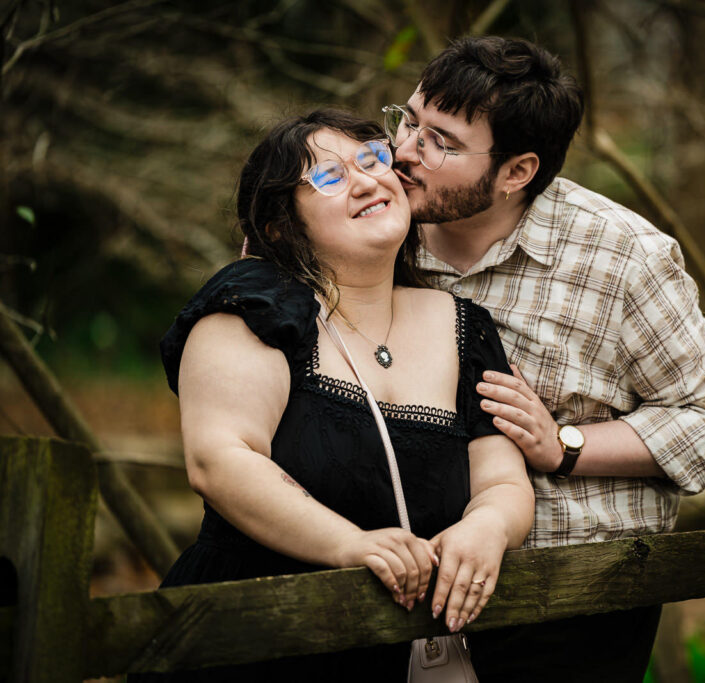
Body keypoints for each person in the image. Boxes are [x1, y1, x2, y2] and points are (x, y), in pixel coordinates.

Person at [382, 36, 705, 681]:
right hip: (393, 589)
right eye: (408, 120)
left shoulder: (620, 257)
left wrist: (564, 445)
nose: (405, 151)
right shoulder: (372, 228)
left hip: (569, 598)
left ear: (517, 172)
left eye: (441, 141)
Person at [133, 109, 534, 682]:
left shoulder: (466, 327)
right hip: (250, 640)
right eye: (328, 176)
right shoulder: (256, 302)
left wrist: (487, 527)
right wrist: (352, 545)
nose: (368, 179)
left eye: (373, 159)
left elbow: (501, 480)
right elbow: (219, 459)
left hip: (396, 653)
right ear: (278, 225)